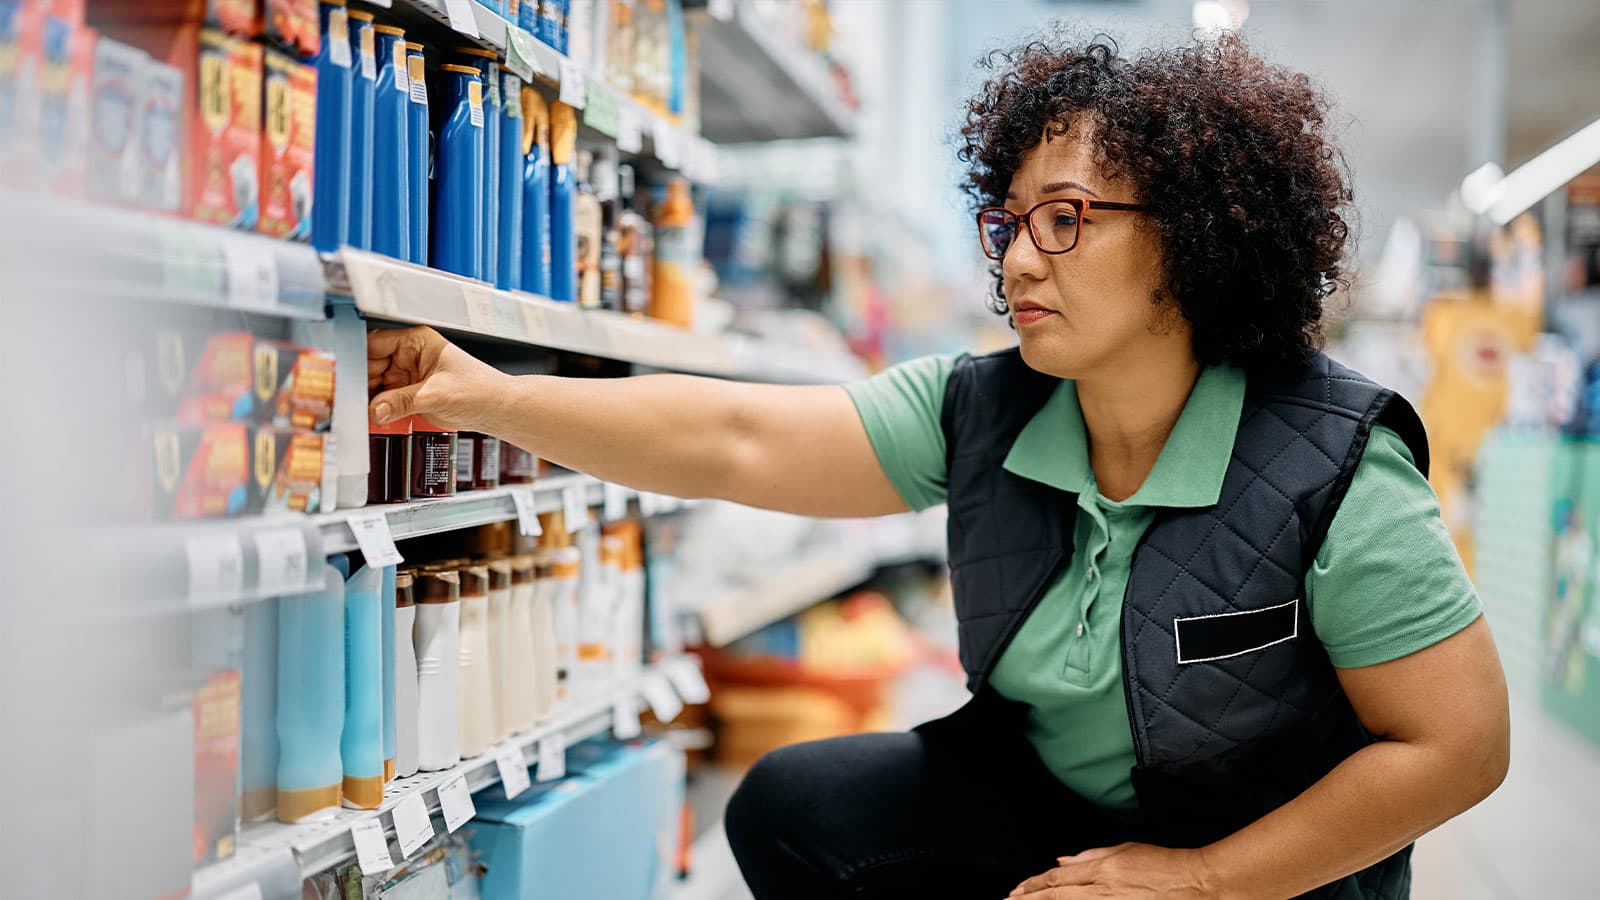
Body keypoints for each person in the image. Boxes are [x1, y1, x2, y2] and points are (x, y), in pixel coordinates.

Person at [367, 32, 1509, 900]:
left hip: (1261, 853)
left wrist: (1196, 882)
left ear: (1198, 236)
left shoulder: (1332, 461)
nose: (1017, 257)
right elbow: (738, 438)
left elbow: (1457, 746)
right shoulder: (982, 408)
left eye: (1064, 219)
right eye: (1007, 221)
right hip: (1047, 803)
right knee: (797, 806)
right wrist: (484, 394)